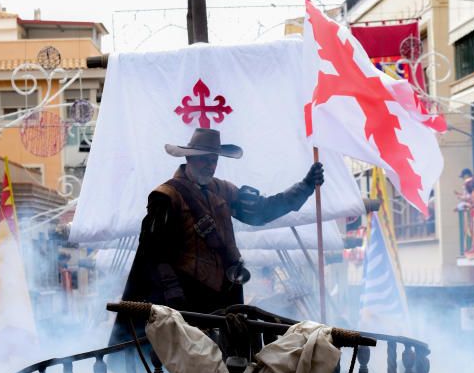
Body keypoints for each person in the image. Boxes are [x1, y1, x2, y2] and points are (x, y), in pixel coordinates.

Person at [110, 127, 324, 343]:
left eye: (214, 160)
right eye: (204, 159)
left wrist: (305, 187)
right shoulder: (166, 196)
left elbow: (262, 211)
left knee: (233, 358)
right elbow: (153, 251)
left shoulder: (224, 190)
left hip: (225, 293)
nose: (210, 165)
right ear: (189, 158)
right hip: (184, 295)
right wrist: (172, 292)